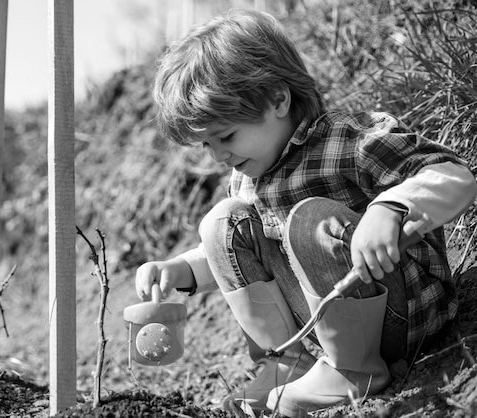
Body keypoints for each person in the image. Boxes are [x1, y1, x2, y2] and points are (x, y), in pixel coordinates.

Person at [133, 8, 477, 417]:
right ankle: (286, 361)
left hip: (403, 315)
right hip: (324, 327)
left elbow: (454, 174)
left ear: (278, 99)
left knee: (310, 221)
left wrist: (390, 208)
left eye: (226, 135)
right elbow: (249, 256)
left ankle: (355, 370)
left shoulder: (351, 141)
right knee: (222, 222)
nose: (219, 155)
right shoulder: (248, 176)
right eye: (206, 146)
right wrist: (181, 270)